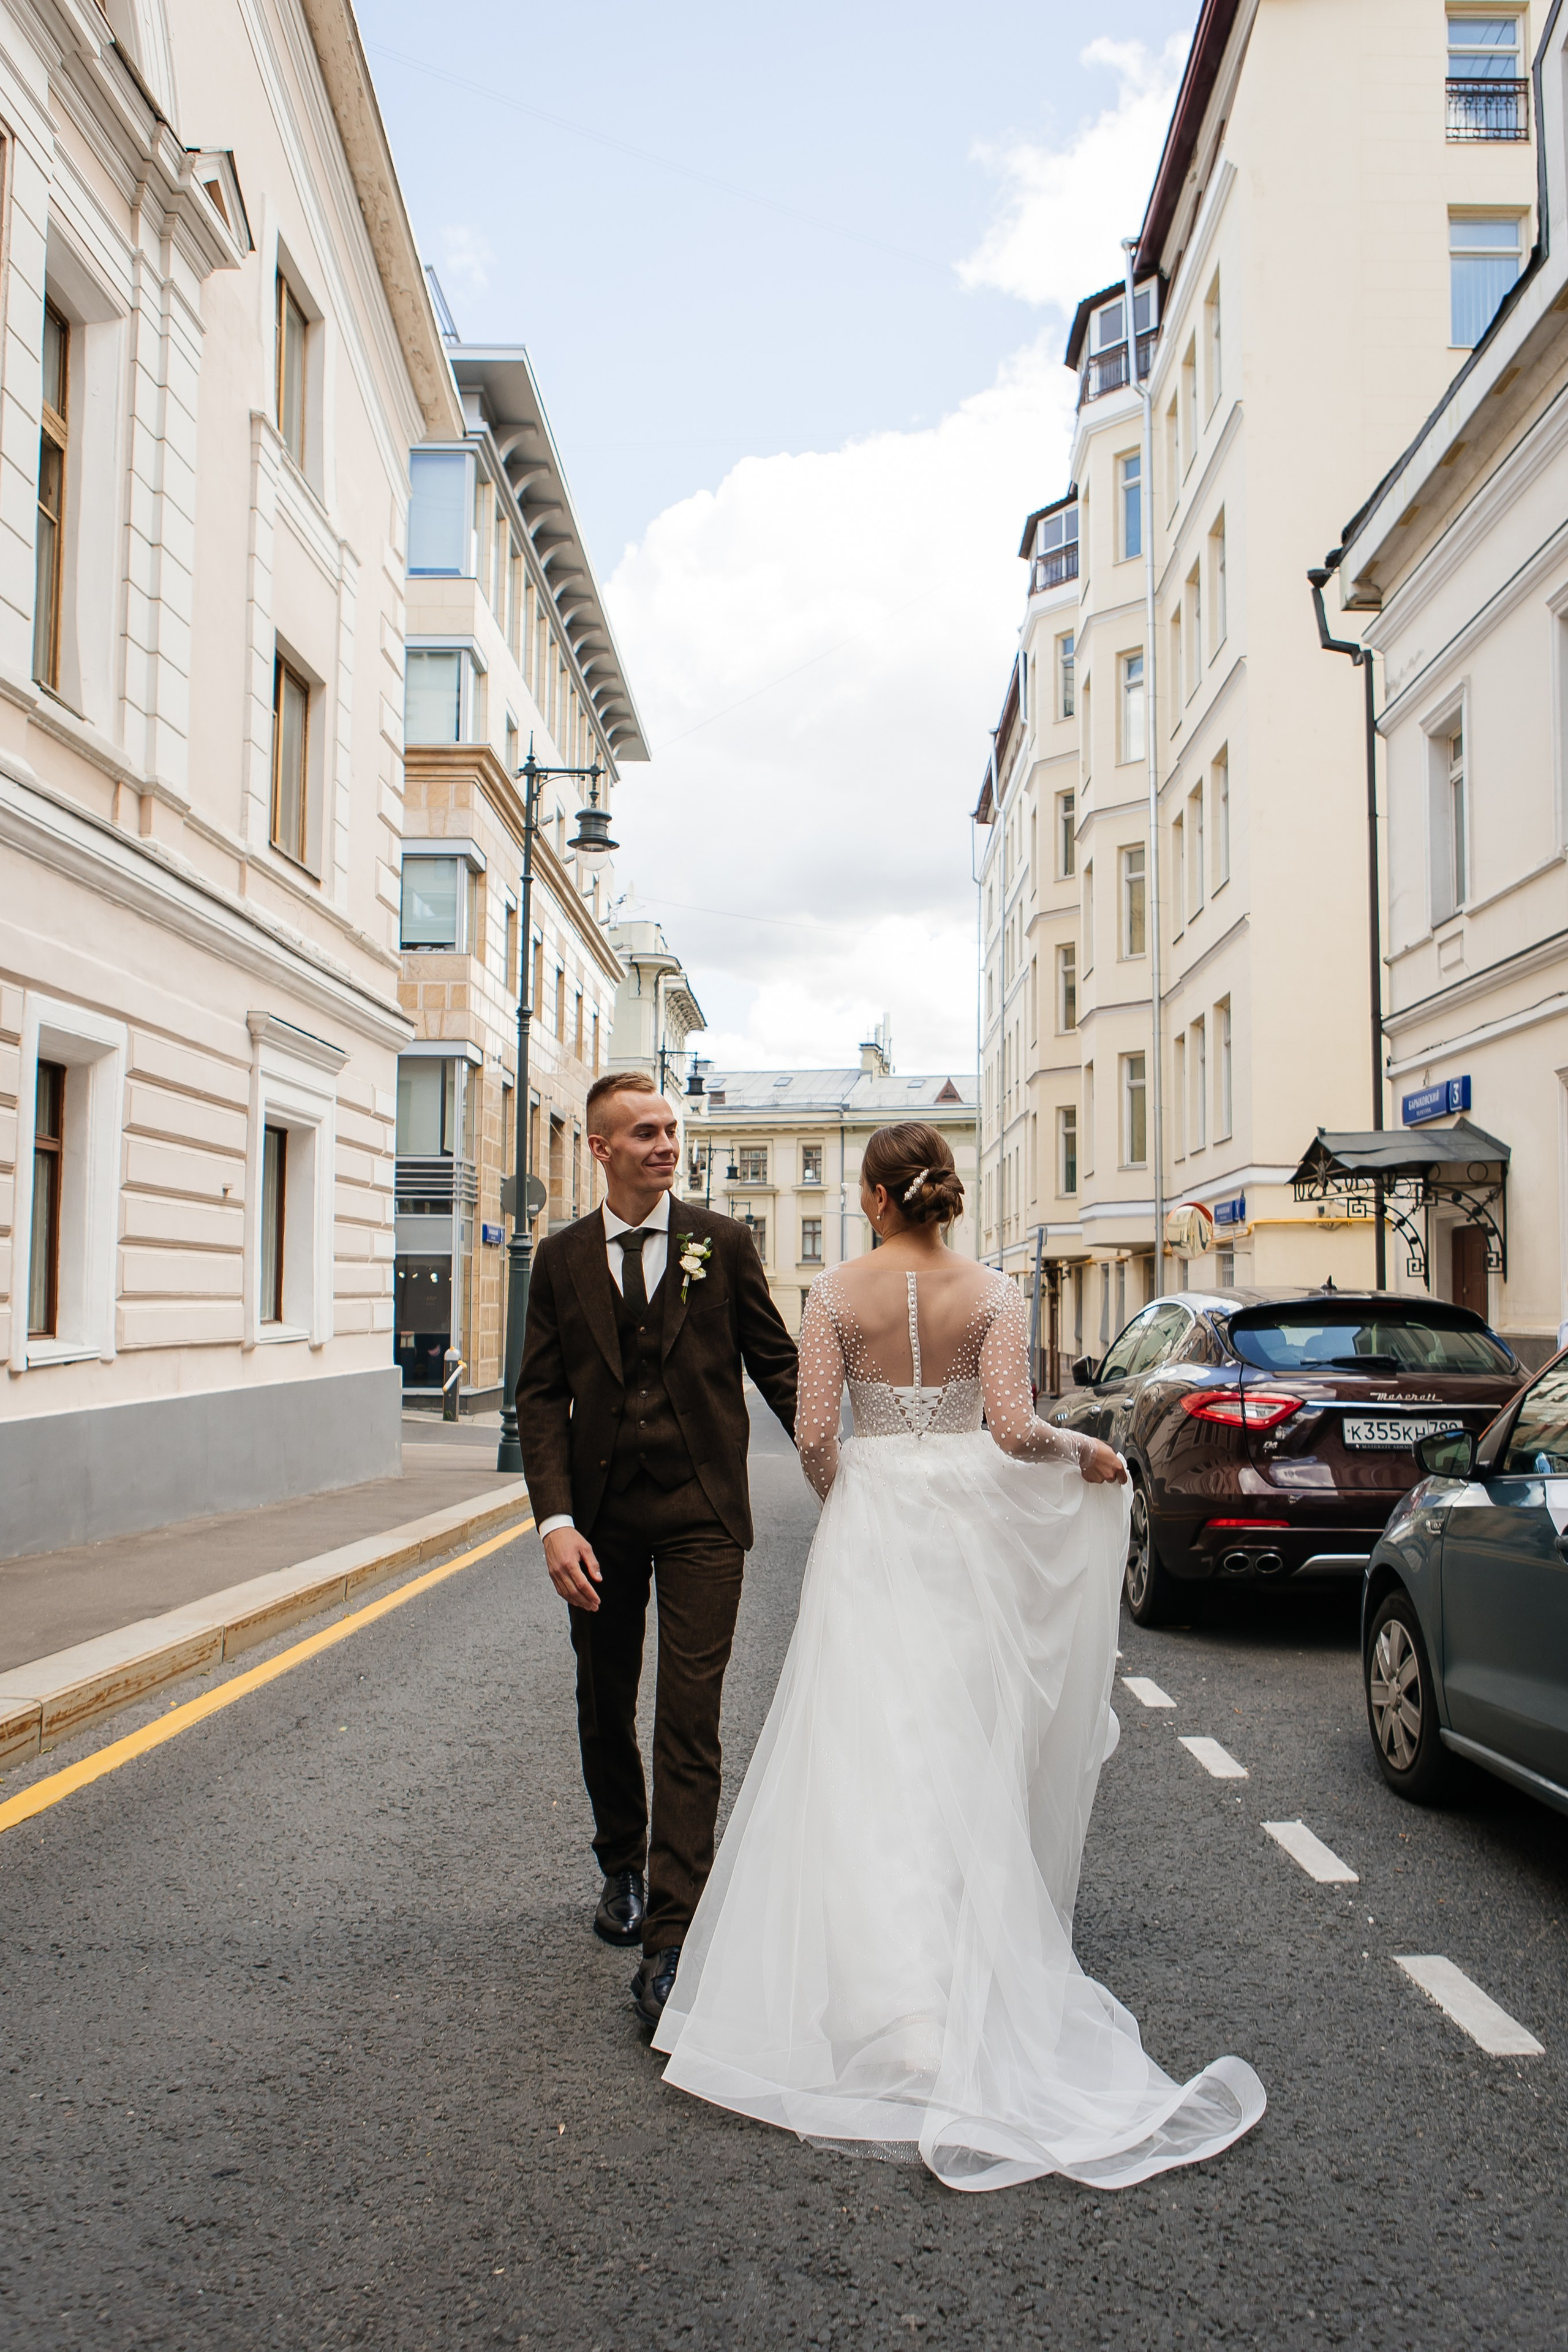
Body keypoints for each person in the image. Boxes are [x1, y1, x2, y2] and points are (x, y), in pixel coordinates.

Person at [653, 1120, 1266, 2192]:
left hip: (877, 1520)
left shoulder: (835, 1296)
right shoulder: (991, 1293)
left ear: (881, 1200)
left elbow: (809, 1436)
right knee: (951, 1740)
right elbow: (1017, 1431)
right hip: (961, 1530)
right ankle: (958, 1976)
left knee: (865, 1746)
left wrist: (850, 1505)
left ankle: (891, 2002)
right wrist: (1090, 1453)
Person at [515, 1069, 799, 2026]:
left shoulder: (723, 1243)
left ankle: (674, 1935)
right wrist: (554, 1521)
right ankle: (621, 1868)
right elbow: (540, 1397)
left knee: (689, 1714)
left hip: (702, 1511)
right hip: (596, 1516)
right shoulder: (559, 1260)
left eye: (671, 1130)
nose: (664, 1145)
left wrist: (847, 1470)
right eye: (643, 1133)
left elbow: (779, 1367)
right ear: (600, 1149)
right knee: (604, 1699)